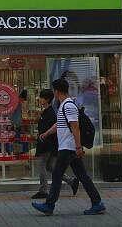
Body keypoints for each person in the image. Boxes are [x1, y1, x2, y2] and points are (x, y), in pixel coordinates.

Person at [32, 78, 105, 217]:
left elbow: (75, 127)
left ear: (57, 91)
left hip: (69, 147)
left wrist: (78, 147)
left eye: (54, 90)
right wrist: (46, 133)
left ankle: (49, 205)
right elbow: (60, 124)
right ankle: (97, 203)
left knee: (57, 174)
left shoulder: (68, 106)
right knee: (82, 176)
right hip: (68, 146)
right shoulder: (63, 105)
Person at [33, 89, 76, 199]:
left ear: (47, 99)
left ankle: (43, 190)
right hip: (50, 144)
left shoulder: (51, 113)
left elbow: (52, 129)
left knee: (42, 166)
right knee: (51, 167)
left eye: (41, 97)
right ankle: (71, 181)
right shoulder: (47, 112)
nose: (40, 99)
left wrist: (44, 136)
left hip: (47, 144)